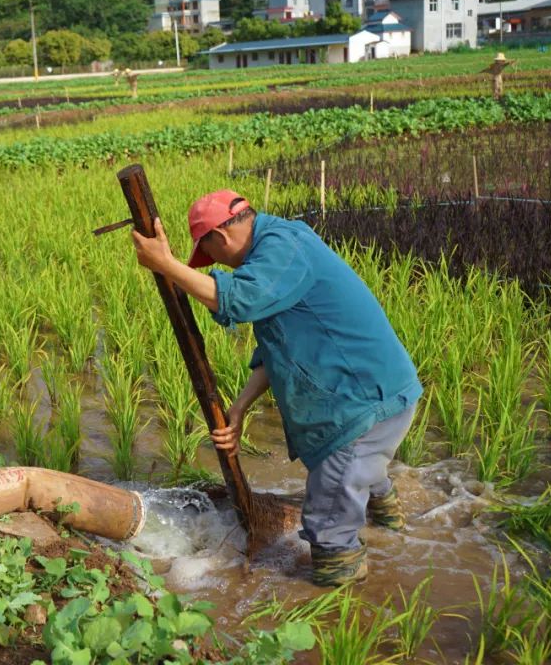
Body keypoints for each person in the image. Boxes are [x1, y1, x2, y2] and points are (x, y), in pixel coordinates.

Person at [130, 189, 422, 586]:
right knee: (361, 478)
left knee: (327, 526)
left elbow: (239, 299)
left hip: (362, 405)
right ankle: (394, 534)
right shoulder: (277, 252)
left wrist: (165, 264)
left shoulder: (283, 247)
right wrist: (241, 407)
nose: (215, 262)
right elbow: (275, 349)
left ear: (221, 236)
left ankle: (343, 607)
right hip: (369, 398)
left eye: (209, 254)